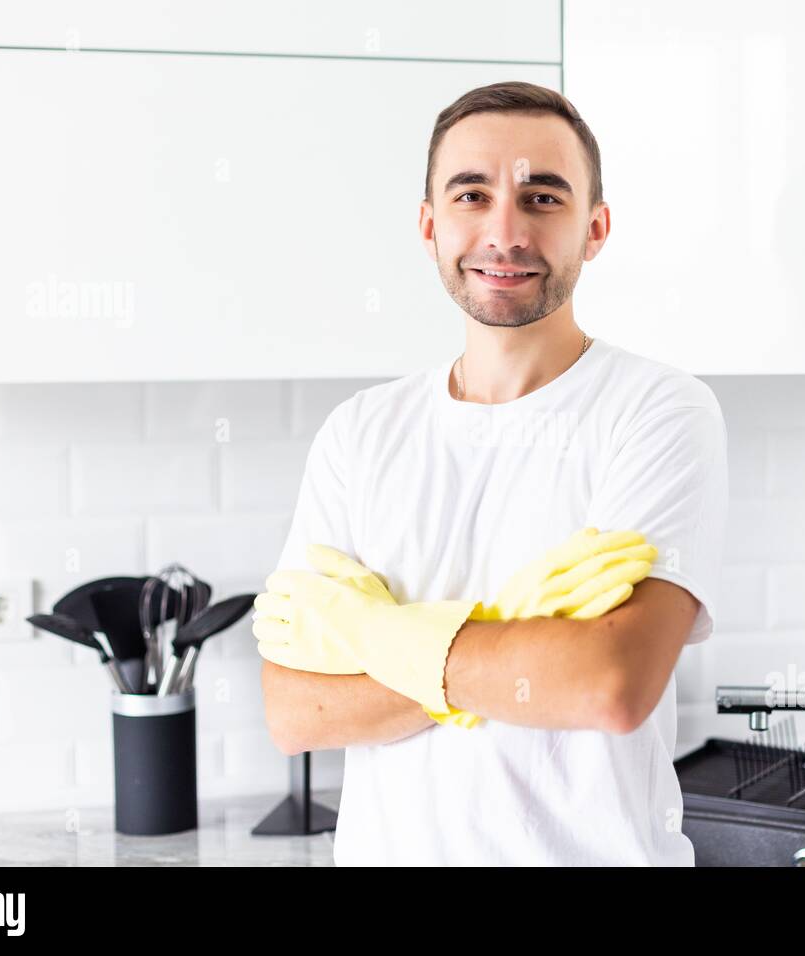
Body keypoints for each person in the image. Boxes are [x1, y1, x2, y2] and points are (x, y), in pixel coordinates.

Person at [258, 81, 729, 865]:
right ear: (429, 224)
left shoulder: (659, 411)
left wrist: (369, 632)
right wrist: (520, 634)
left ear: (596, 228)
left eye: (542, 197)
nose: (504, 232)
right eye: (472, 194)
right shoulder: (361, 433)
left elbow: (608, 686)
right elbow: (297, 710)